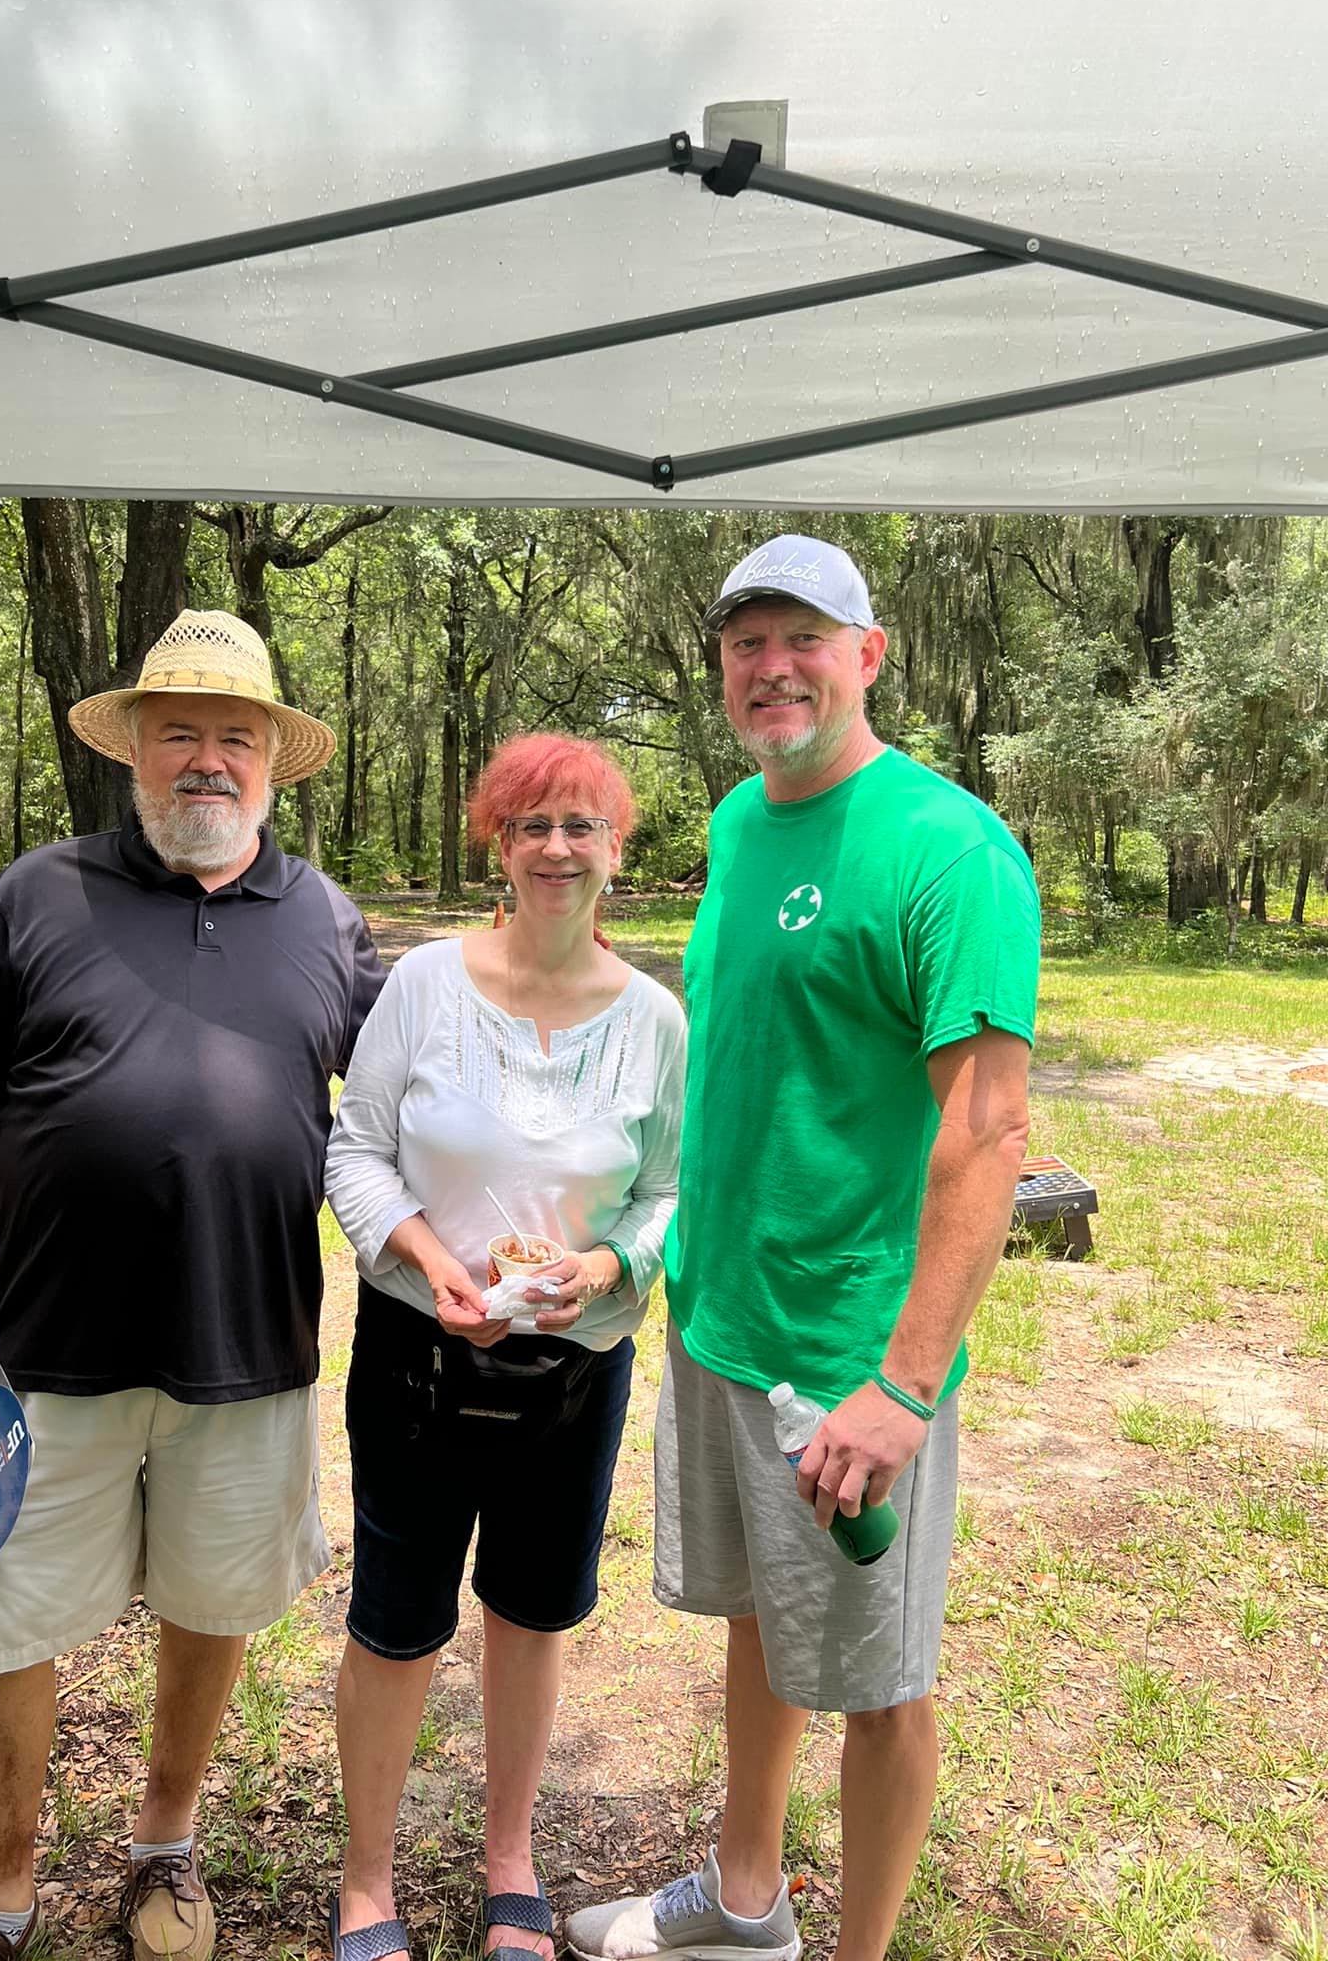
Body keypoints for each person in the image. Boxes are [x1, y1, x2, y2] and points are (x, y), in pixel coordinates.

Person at [568, 538, 1039, 1961]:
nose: (772, 667)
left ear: (869, 655)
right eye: (744, 643)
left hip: (851, 1353)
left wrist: (902, 1386)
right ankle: (749, 1900)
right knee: (762, 1622)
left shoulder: (950, 850)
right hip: (725, 1323)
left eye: (804, 638)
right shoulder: (736, 822)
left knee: (882, 1683)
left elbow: (990, 1132)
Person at [0, 610, 384, 1961]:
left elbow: (410, 1112)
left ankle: (162, 1848)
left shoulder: (328, 920)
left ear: (274, 766)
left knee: (211, 1601)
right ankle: (1, 1897)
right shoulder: (38, 894)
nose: (206, 760)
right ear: (133, 748)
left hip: (248, 1352)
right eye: (178, 730)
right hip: (49, 1354)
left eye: (236, 736)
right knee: (3, 1621)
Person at [322, 733, 686, 1961]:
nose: (556, 847)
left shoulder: (653, 1019)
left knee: (533, 1613)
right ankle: (366, 1881)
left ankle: (511, 1863)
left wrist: (607, 1266)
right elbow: (355, 1149)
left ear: (616, 851)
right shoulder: (425, 985)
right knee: (395, 1618)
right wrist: (430, 1259)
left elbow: (673, 1193)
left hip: (577, 1366)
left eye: (581, 824)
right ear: (499, 840)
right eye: (532, 824)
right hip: (421, 1356)